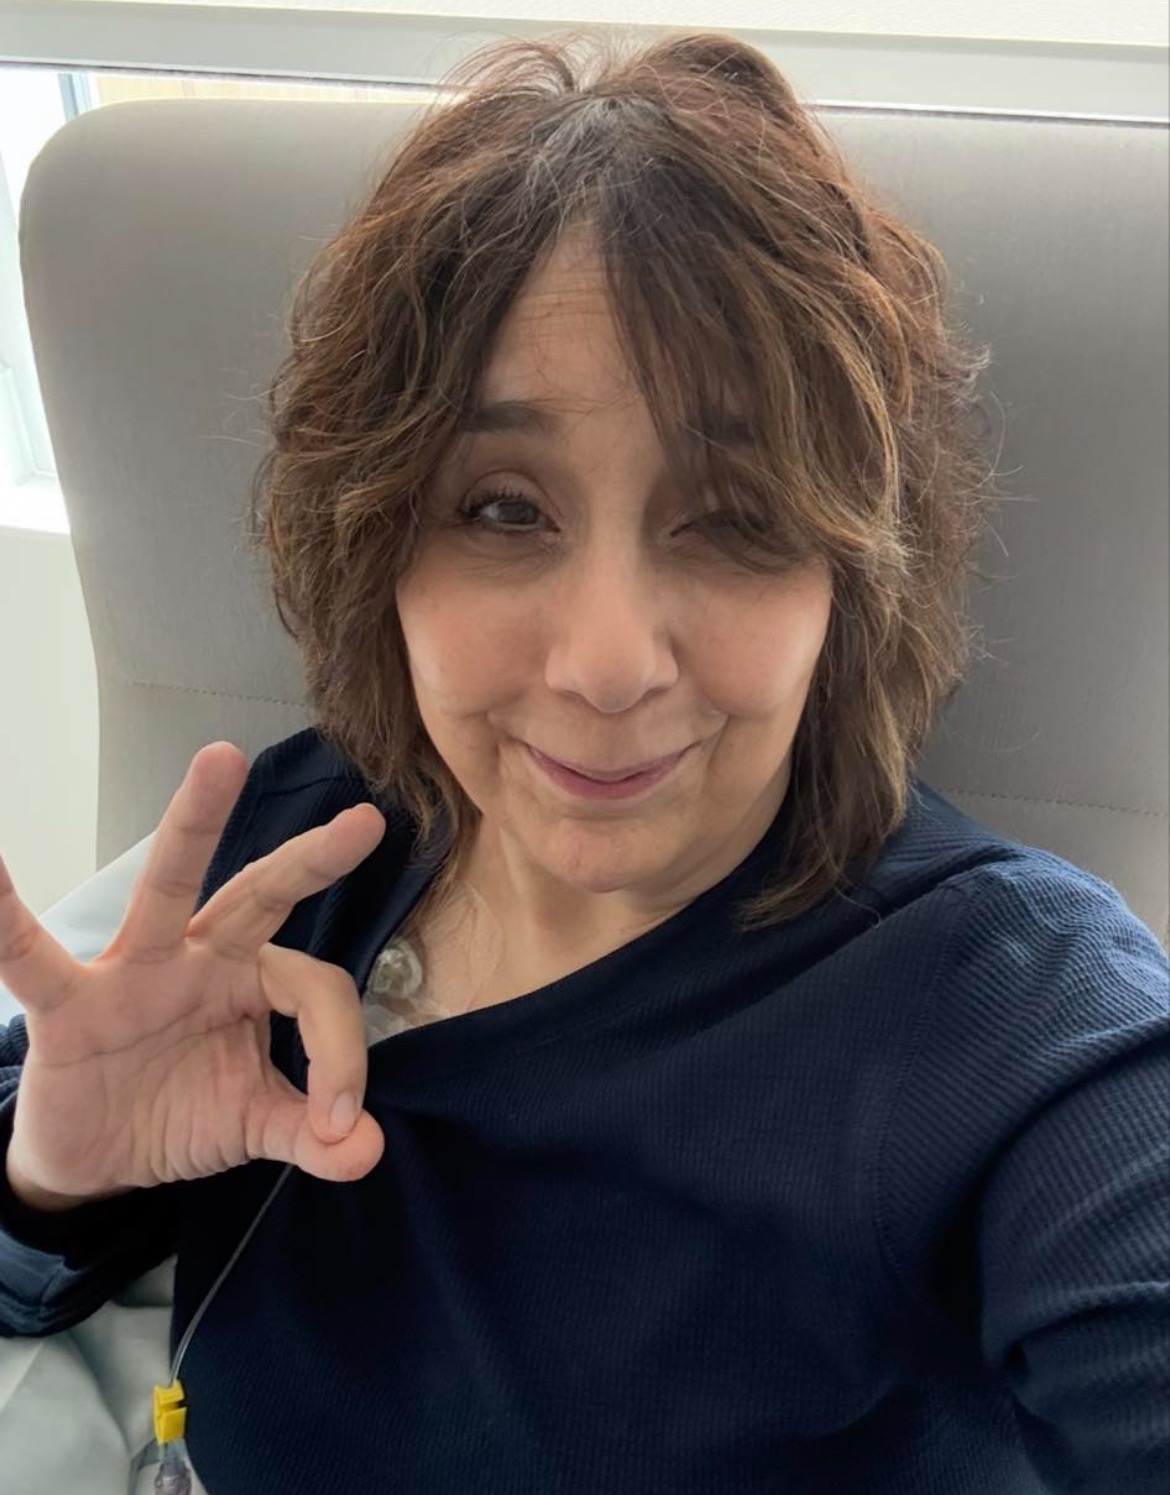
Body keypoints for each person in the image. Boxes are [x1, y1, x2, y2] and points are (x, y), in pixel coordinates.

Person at [0, 27, 1167, 1495]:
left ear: (850, 577)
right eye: (503, 508)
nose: (608, 664)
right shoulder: (301, 850)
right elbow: (27, 1275)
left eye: (735, 514)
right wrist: (57, 1175)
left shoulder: (1020, 1023)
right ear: (377, 543)